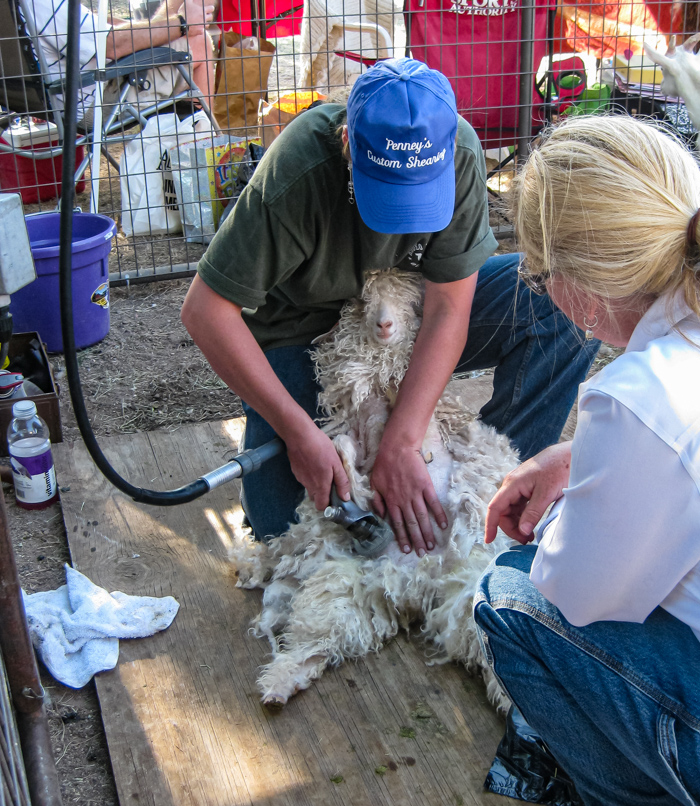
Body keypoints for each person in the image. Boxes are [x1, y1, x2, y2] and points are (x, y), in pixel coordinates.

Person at [475, 114, 700, 806]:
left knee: (510, 599)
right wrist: (582, 456)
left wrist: (581, 493)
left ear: (576, 283)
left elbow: (576, 592)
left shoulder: (644, 397)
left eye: (538, 276)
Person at [181, 57, 598, 552]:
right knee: (283, 531)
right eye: (387, 197)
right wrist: (297, 433)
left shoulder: (459, 150)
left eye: (418, 199)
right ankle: (361, 470)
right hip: (306, 332)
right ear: (347, 147)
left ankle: (493, 495)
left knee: (557, 301)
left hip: (406, 312)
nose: (401, 224)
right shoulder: (300, 170)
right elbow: (205, 310)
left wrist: (402, 444)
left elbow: (447, 308)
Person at [29, 0, 215, 125]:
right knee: (199, 41)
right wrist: (181, 23)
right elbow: (112, 45)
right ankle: (204, 148)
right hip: (95, 101)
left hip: (46, 100)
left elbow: (97, 31)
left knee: (162, 29)